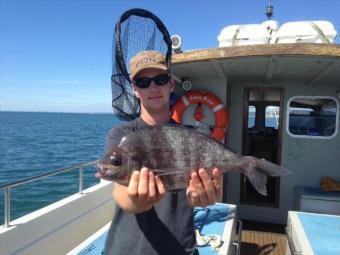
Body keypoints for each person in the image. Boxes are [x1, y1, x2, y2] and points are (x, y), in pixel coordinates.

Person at [104, 50, 222, 255]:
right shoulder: (121, 135)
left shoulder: (190, 137)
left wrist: (210, 194)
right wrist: (136, 201)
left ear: (170, 84)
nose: (153, 87)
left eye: (160, 79)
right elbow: (120, 193)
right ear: (134, 89)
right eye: (143, 82)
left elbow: (210, 186)